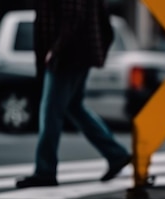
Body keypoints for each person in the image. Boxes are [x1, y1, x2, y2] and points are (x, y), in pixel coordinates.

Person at [16, 0, 132, 189]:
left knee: (51, 112)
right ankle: (116, 154)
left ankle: (45, 171)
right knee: (73, 107)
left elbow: (73, 17)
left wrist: (55, 49)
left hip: (68, 56)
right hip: (75, 53)